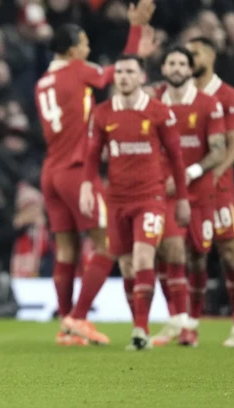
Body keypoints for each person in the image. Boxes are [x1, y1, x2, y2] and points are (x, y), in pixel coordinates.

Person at [34, 0, 155, 346]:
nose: (88, 49)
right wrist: (135, 30)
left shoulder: (43, 81)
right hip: (75, 171)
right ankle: (79, 317)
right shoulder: (77, 70)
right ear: (73, 49)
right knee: (108, 242)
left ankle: (65, 326)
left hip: (50, 172)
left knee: (66, 251)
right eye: (85, 44)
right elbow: (118, 74)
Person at [80, 54, 191, 351]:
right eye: (119, 72)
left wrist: (181, 199)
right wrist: (87, 188)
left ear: (142, 77)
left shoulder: (159, 112)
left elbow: (177, 160)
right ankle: (138, 323)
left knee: (143, 258)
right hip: (117, 199)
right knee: (128, 266)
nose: (124, 77)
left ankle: (140, 330)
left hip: (150, 198)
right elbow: (92, 156)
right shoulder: (102, 113)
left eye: (130, 72)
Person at [148, 47, 226, 347]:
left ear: (190, 69)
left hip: (200, 191)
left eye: (182, 63)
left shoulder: (208, 104)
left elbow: (218, 149)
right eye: (172, 62)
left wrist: (189, 173)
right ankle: (177, 320)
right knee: (169, 252)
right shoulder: (152, 103)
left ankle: (191, 320)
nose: (177, 67)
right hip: (165, 191)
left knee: (197, 257)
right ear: (164, 68)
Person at [184, 37, 234, 347]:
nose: (189, 58)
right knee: (194, 255)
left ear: (211, 55)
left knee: (228, 251)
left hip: (219, 188)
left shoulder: (226, 94)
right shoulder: (183, 93)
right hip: (188, 189)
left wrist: (220, 169)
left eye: (195, 53)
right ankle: (190, 326)